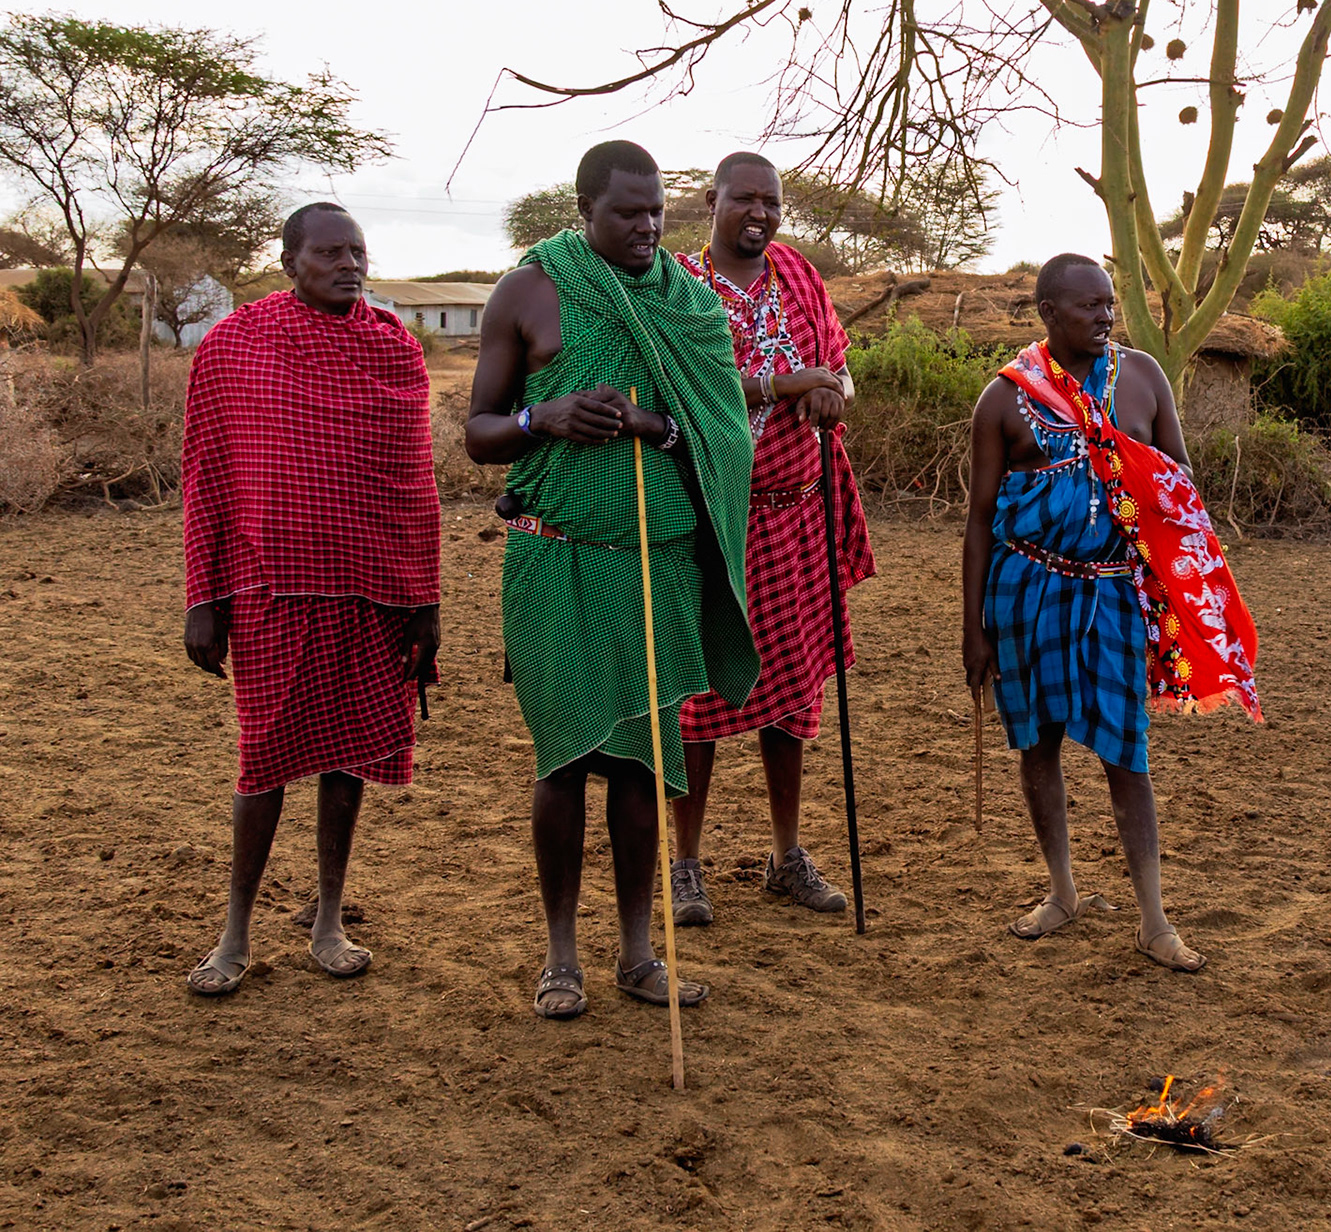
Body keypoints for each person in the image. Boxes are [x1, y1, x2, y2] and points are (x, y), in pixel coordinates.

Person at [467, 140, 759, 1020]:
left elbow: (725, 434)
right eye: (626, 214)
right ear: (584, 209)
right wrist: (542, 416)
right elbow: (479, 433)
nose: (644, 229)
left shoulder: (688, 303)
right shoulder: (531, 290)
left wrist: (649, 425)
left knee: (642, 763)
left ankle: (638, 952)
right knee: (565, 759)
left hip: (658, 561)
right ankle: (562, 955)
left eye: (655, 215)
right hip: (557, 556)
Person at [962, 253, 1263, 973]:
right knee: (1037, 746)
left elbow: (1180, 484)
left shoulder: (1143, 378)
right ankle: (1061, 891)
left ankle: (1154, 919)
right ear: (1048, 314)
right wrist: (970, 628)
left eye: (1108, 305)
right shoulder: (1004, 399)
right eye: (1088, 307)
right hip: (1025, 590)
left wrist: (1123, 465)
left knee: (1127, 754)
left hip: (1114, 592)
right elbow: (977, 521)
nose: (1104, 318)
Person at [181, 202, 441, 996]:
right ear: (290, 260)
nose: (349, 265)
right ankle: (236, 931)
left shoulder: (395, 350)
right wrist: (203, 596)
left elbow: (415, 487)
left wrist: (425, 604)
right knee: (262, 760)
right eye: (330, 253)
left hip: (373, 592)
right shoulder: (236, 345)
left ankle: (329, 917)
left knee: (348, 757)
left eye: (357, 251)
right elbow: (208, 473)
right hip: (268, 591)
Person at [668, 151, 875, 927]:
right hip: (714, 519)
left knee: (792, 690)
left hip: (799, 507)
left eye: (772, 201)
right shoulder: (679, 285)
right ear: (710, 199)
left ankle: (786, 855)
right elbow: (683, 391)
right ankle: (685, 864)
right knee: (701, 695)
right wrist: (784, 385)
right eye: (745, 199)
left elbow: (841, 373)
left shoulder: (799, 275)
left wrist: (830, 394)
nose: (760, 213)